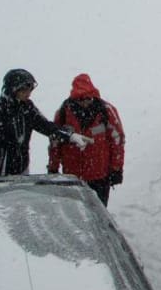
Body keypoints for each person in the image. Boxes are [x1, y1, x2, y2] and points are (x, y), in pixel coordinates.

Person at [0, 69, 90, 177]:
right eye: (24, 90)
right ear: (13, 90)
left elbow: (45, 126)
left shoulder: (26, 108)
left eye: (30, 90)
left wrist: (70, 136)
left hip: (20, 172)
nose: (29, 93)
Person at [47, 73, 125, 206]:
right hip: (73, 176)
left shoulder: (106, 111)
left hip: (100, 175)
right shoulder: (64, 112)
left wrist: (116, 169)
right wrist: (53, 167)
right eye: (80, 99)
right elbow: (55, 142)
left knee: (99, 212)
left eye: (88, 98)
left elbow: (117, 140)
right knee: (75, 213)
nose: (85, 102)